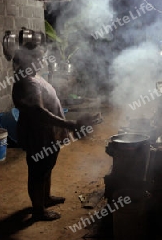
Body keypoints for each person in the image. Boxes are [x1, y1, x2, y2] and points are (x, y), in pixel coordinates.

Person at [12, 45, 101, 221]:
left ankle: (46, 198)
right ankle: (39, 210)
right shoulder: (28, 83)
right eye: (36, 59)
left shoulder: (33, 77)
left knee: (47, 166)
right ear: (25, 61)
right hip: (38, 135)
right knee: (38, 171)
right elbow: (38, 111)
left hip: (47, 133)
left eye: (41, 58)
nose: (41, 62)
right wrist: (69, 124)